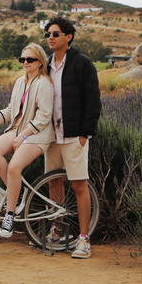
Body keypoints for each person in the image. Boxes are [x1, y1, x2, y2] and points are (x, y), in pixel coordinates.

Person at [0, 43, 55, 238]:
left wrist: (23, 136)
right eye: (22, 59)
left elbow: (44, 116)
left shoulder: (44, 84)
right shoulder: (20, 82)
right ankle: (16, 197)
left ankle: (10, 215)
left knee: (13, 167)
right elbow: (11, 112)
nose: (25, 62)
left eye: (30, 59)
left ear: (40, 61)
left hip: (38, 134)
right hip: (18, 130)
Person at [43, 16, 101, 259]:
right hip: (51, 137)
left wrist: (85, 135)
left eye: (55, 33)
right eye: (48, 34)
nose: (50, 37)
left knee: (78, 186)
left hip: (74, 137)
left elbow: (93, 100)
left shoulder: (82, 64)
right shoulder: (45, 65)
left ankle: (84, 240)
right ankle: (56, 231)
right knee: (53, 184)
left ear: (69, 37)